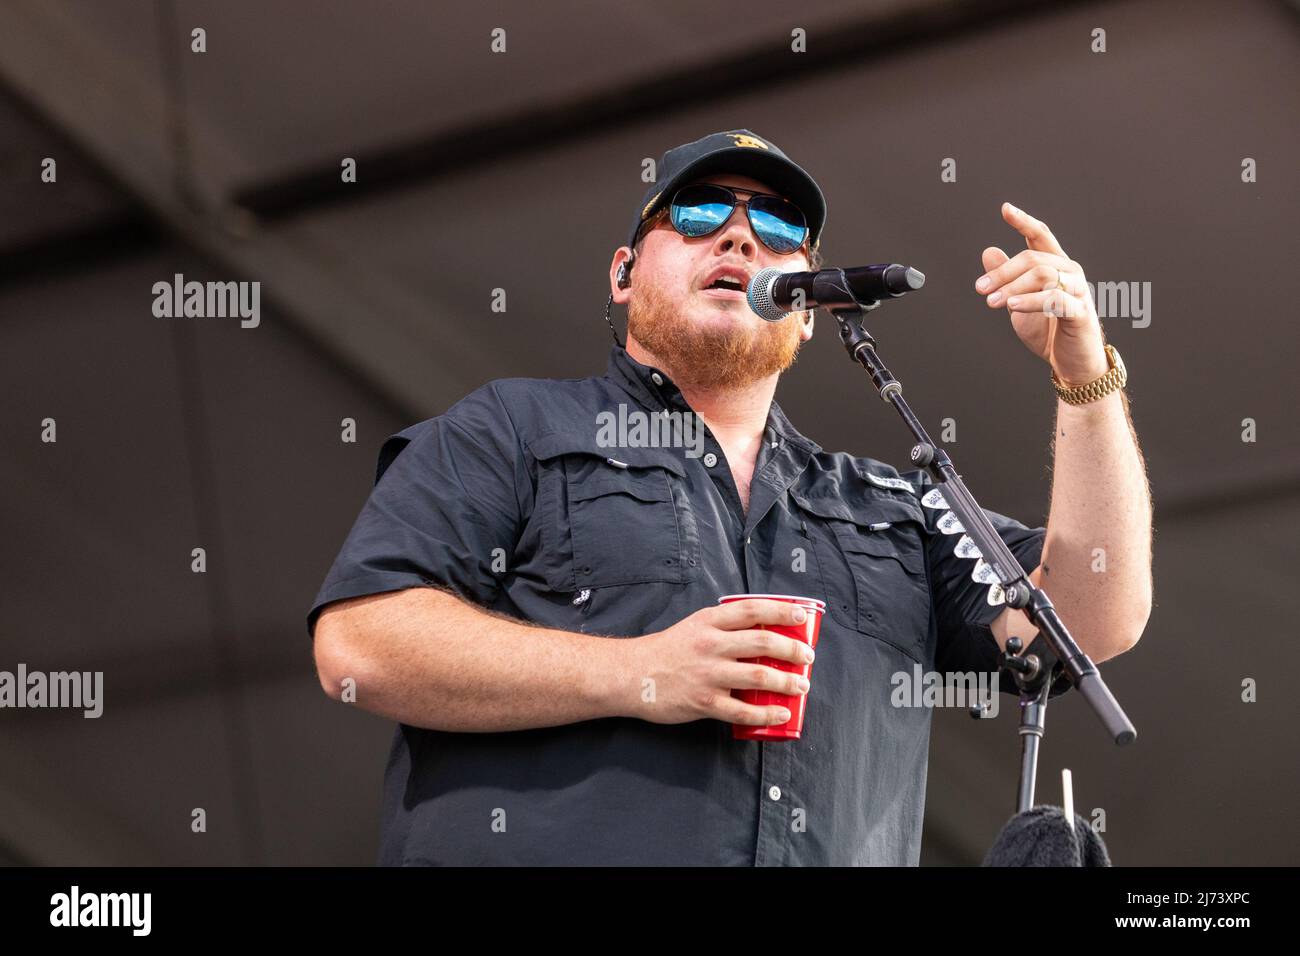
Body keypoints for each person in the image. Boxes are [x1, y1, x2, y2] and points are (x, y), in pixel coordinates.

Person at [307, 129, 1153, 866]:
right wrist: (640, 672)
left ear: (815, 309)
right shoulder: (511, 427)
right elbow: (361, 646)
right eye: (701, 213)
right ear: (623, 272)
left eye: (781, 229)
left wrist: (1084, 372)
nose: (743, 238)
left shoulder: (893, 506)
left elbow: (1093, 615)